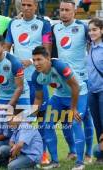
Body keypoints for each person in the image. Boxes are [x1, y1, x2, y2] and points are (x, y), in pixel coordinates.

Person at [4, 0, 52, 164]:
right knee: (21, 119)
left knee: (40, 117)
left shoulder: (44, 24)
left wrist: (31, 61)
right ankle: (20, 153)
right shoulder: (13, 24)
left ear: (36, 6)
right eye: (23, 5)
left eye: (29, 5)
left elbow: (47, 49)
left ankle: (43, 154)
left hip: (38, 78)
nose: (26, 8)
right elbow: (6, 48)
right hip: (20, 81)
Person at [31, 46, 87, 170]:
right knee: (47, 124)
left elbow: (75, 87)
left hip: (78, 94)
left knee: (75, 123)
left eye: (39, 59)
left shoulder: (60, 66)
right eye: (34, 60)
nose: (36, 63)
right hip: (59, 97)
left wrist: (73, 108)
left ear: (48, 58)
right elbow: (39, 98)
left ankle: (80, 162)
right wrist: (31, 115)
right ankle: (54, 161)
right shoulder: (36, 76)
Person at [52, 0, 94, 164]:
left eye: (67, 10)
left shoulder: (83, 27)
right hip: (64, 80)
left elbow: (92, 46)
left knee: (84, 117)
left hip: (82, 79)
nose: (63, 13)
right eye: (61, 9)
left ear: (74, 12)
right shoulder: (56, 28)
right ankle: (72, 151)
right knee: (65, 118)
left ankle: (89, 153)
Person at [0, 34, 30, 105]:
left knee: (21, 116)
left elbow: (20, 87)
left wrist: (8, 107)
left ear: (3, 47)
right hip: (3, 95)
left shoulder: (14, 62)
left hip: (22, 94)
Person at [87, 18, 103, 146]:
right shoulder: (89, 46)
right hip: (91, 91)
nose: (91, 33)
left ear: (101, 31)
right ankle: (101, 154)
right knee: (97, 123)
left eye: (95, 30)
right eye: (90, 30)